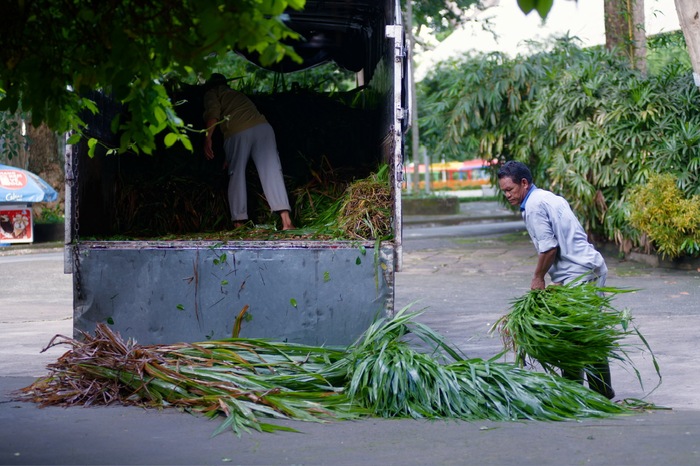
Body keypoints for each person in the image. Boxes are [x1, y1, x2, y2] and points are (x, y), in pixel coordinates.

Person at [497, 160, 615, 399]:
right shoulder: (549, 197)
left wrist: (538, 277)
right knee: (585, 329)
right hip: (588, 267)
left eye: (510, 190)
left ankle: (578, 393)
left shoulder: (533, 206)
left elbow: (549, 248)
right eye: (504, 192)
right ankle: (597, 391)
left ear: (524, 183)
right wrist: (559, 279)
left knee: (574, 333)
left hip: (579, 272)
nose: (507, 195)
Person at [202, 73, 295, 230]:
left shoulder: (212, 93)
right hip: (263, 128)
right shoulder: (237, 94)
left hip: (238, 133)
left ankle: (239, 224)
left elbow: (213, 114)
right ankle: (287, 222)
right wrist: (229, 155)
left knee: (236, 174)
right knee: (272, 171)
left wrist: (207, 138)